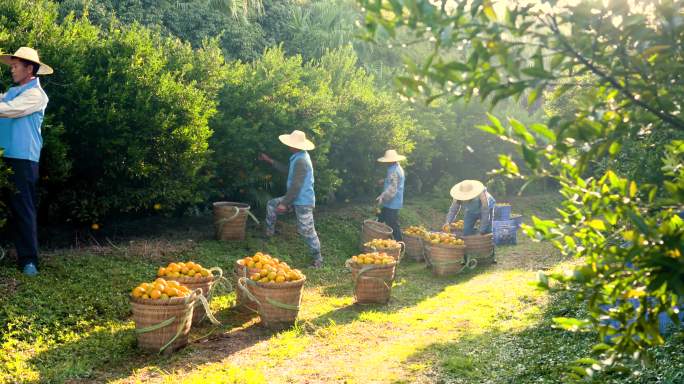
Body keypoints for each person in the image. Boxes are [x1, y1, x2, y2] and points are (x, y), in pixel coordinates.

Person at [0, 47, 52, 277]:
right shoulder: (12, 91)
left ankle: (29, 260)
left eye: (15, 66)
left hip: (23, 159)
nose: (11, 70)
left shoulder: (35, 95)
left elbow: (10, 111)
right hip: (5, 155)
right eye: (11, 66)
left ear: (29, 68)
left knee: (23, 209)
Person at [258, 130, 322, 268]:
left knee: (307, 230)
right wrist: (270, 161)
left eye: (290, 144)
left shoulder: (301, 160)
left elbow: (296, 185)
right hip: (296, 198)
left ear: (295, 146)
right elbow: (288, 170)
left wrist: (285, 203)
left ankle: (318, 259)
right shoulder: (298, 156)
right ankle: (269, 235)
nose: (288, 146)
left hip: (303, 201)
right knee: (272, 204)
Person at [375, 149, 406, 241]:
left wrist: (381, 198)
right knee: (380, 218)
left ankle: (400, 243)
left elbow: (392, 189)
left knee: (392, 223)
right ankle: (375, 238)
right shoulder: (396, 167)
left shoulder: (394, 170)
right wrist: (384, 181)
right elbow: (393, 181)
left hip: (393, 202)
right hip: (391, 201)